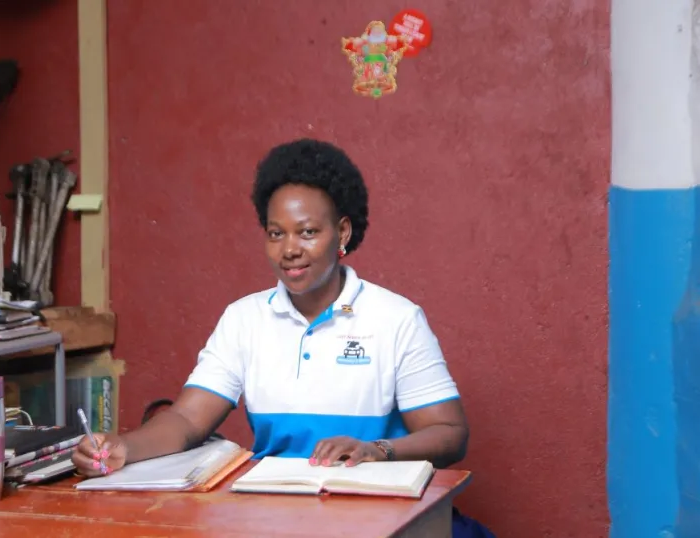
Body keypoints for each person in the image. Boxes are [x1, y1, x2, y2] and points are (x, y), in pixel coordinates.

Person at [72, 138, 495, 538]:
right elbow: (186, 421)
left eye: (308, 232)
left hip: (374, 515)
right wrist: (123, 446)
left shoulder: (396, 319)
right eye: (276, 233)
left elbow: (450, 434)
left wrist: (376, 449)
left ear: (342, 233)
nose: (289, 249)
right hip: (272, 515)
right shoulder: (244, 319)